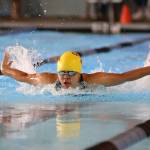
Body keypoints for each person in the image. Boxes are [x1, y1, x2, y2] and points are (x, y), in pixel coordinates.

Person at [1, 50, 150, 91]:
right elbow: (24, 76)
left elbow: (125, 77)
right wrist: (5, 68)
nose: (66, 77)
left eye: (71, 73)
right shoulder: (47, 80)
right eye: (62, 73)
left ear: (79, 73)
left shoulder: (94, 80)